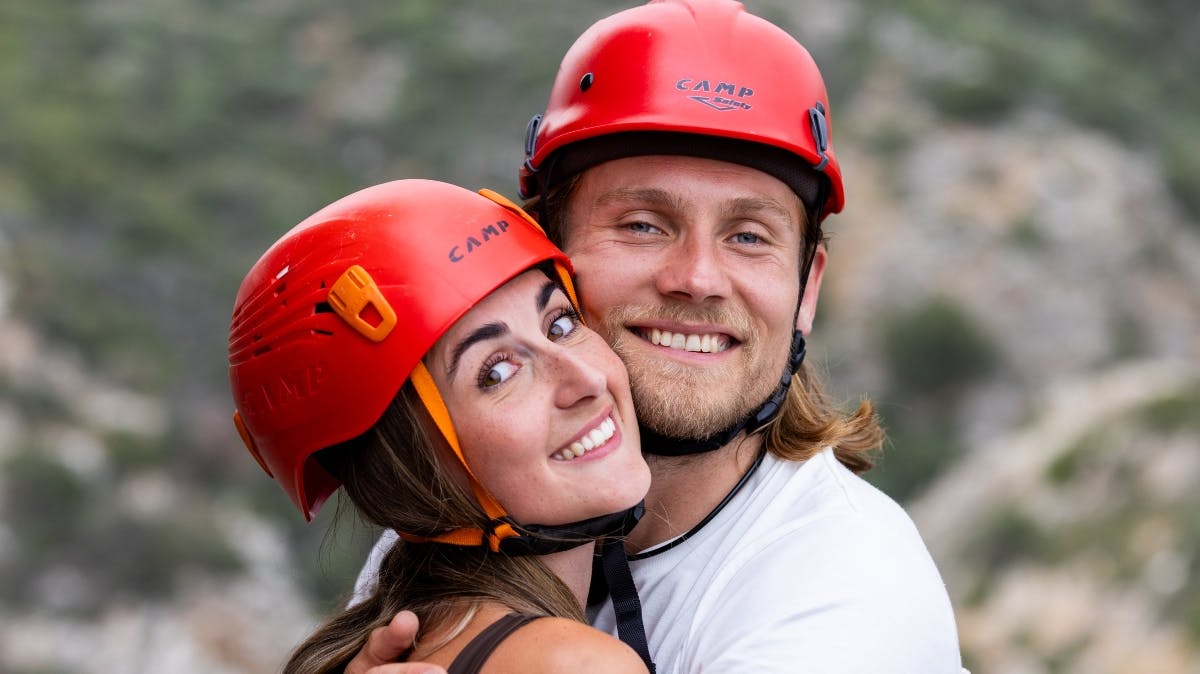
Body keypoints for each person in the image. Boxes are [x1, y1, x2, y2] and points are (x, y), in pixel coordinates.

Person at [349, 1, 967, 672]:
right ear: (545, 252)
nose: (698, 278)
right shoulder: (450, 546)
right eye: (644, 224)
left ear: (805, 289)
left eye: (748, 237)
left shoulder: (841, 598)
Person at [227, 179, 655, 674]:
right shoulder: (575, 664)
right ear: (407, 465)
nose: (586, 379)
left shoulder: (412, 642)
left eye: (559, 324)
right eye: (496, 372)